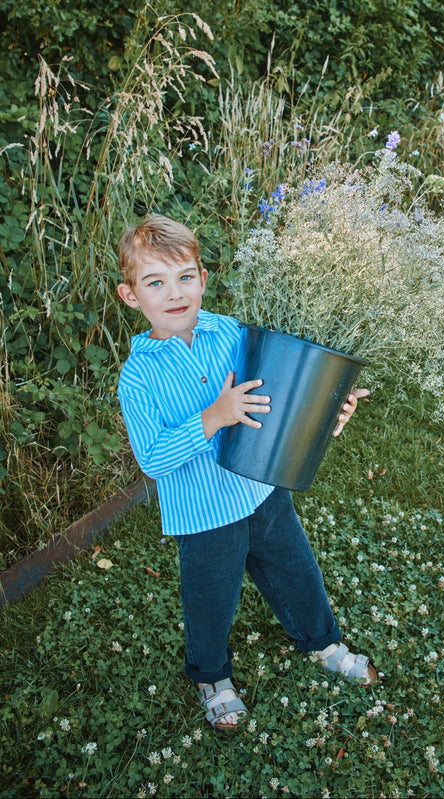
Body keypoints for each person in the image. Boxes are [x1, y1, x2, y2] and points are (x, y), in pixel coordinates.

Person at [116, 214, 380, 734]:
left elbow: (275, 407)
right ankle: (213, 677)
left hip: (262, 491)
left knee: (299, 574)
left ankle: (322, 642)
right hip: (203, 514)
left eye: (185, 277)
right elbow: (151, 459)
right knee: (211, 600)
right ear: (130, 296)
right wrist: (214, 415)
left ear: (203, 278)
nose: (174, 294)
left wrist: (326, 417)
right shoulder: (138, 376)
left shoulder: (232, 333)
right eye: (155, 283)